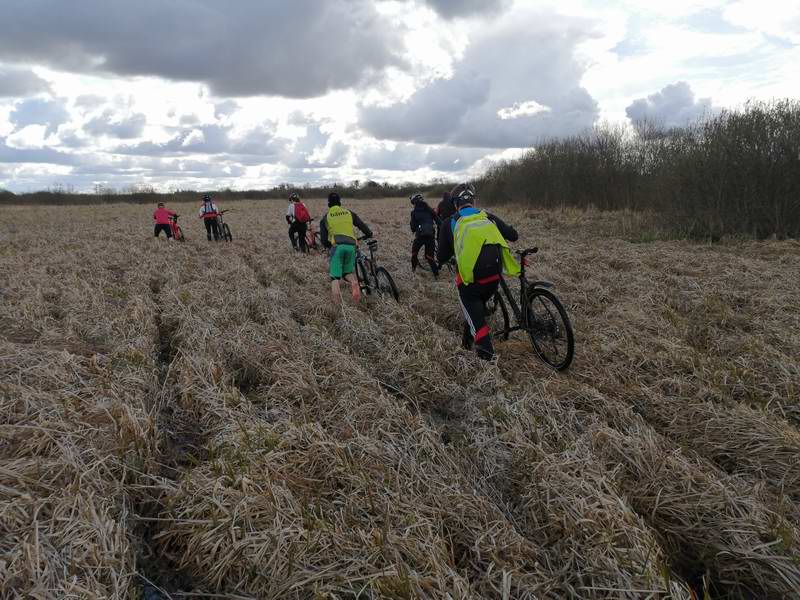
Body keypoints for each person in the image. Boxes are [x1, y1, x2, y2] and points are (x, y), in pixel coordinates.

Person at [437, 183, 519, 361]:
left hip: (471, 281)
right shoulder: (487, 216)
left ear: (455, 204)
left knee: (477, 320)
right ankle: (466, 343)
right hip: (495, 275)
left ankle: (488, 369)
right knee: (474, 310)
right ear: (473, 201)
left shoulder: (449, 223)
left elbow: (441, 257)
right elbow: (513, 235)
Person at [319, 192, 373, 304]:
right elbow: (362, 225)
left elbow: (324, 239)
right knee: (347, 272)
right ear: (340, 202)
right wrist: (369, 234)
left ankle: (338, 305)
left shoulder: (326, 217)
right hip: (352, 246)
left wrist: (328, 246)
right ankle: (354, 283)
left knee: (335, 278)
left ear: (329, 204)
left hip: (337, 247)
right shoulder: (349, 213)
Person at [409, 192, 440, 276]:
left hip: (420, 236)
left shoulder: (414, 212)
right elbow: (438, 221)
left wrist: (414, 229)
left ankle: (413, 270)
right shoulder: (430, 210)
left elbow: (413, 226)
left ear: (414, 202)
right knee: (430, 257)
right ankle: (436, 275)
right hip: (430, 235)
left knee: (414, 253)